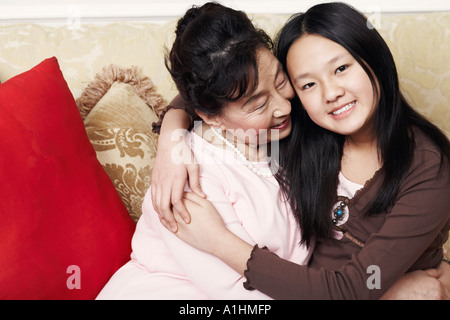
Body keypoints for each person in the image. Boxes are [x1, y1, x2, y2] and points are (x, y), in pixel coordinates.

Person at [153, 2, 450, 299]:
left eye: (342, 68)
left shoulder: (428, 167)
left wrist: (220, 242)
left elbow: (355, 289)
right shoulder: (303, 121)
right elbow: (215, 92)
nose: (331, 93)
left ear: (374, 57)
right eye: (307, 83)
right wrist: (171, 142)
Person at [97, 2, 310, 299]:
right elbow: (239, 294)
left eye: (281, 80)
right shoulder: (191, 179)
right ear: (211, 116)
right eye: (259, 104)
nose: (284, 105)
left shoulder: (288, 130)